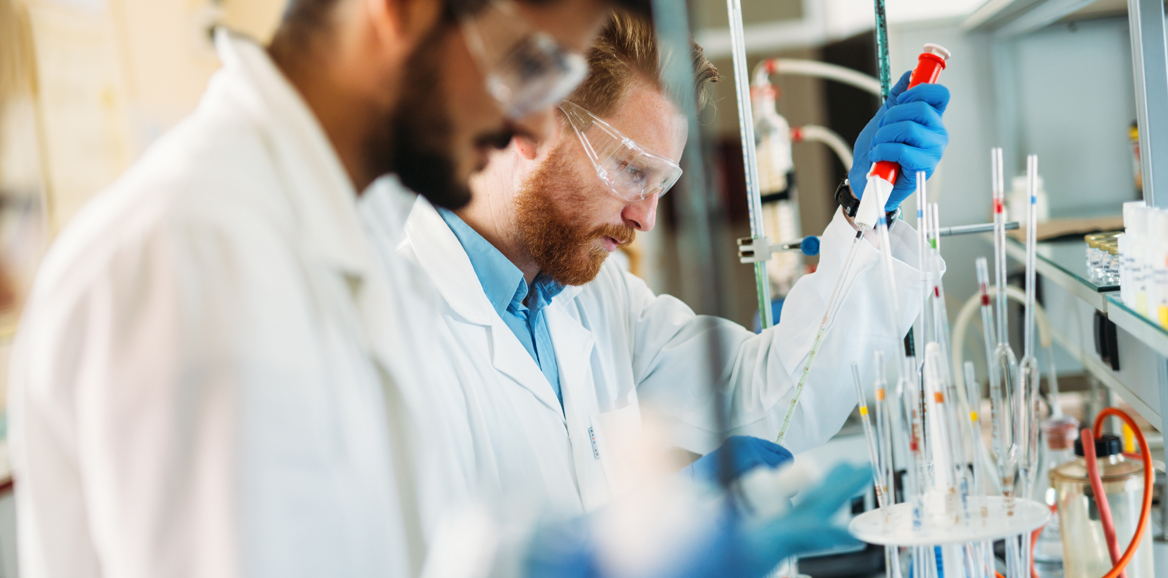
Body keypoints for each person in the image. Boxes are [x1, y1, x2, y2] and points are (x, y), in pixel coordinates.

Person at [9, 1, 869, 577]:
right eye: (532, 69)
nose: (533, 127)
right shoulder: (199, 252)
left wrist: (577, 553)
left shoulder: (340, 240)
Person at [384, 10, 949, 515]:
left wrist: (861, 214)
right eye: (632, 170)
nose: (645, 218)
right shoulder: (394, 326)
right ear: (532, 122)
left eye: (662, 184)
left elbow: (771, 401)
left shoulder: (596, 301)